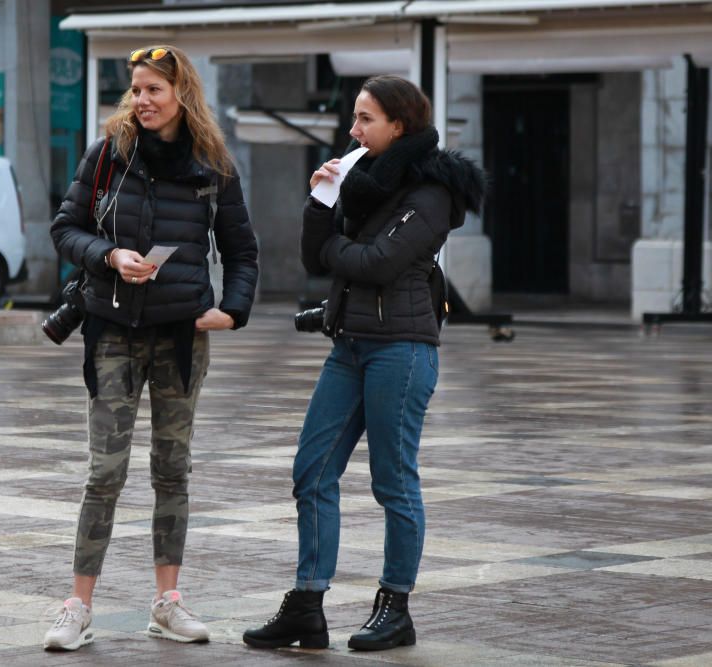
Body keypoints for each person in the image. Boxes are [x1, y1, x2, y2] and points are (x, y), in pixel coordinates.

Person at [242, 75, 484, 652]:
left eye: (365, 119)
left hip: (400, 349)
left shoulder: (431, 192)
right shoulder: (365, 182)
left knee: (393, 483)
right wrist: (322, 200)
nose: (352, 130)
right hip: (349, 345)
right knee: (312, 471)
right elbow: (314, 256)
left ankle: (395, 607)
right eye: (354, 118)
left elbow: (376, 263)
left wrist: (333, 252)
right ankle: (306, 605)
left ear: (398, 125)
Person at [45, 45, 258, 651]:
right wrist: (108, 255)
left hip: (181, 338)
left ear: (180, 94)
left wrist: (233, 310)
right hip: (111, 331)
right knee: (104, 473)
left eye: (153, 90)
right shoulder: (108, 154)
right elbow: (65, 227)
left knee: (172, 470)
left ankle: (168, 602)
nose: (141, 100)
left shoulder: (213, 164)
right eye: (135, 89)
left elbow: (243, 251)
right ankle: (76, 607)